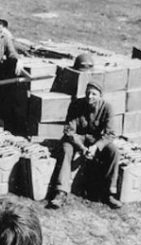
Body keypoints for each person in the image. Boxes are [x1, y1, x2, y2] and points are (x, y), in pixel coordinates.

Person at [48, 74, 122, 209]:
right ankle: (61, 192)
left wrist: (96, 147)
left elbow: (110, 134)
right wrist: (82, 148)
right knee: (66, 149)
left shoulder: (107, 108)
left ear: (100, 96)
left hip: (96, 139)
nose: (90, 96)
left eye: (94, 94)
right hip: (77, 139)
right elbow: (70, 131)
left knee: (114, 152)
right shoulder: (76, 104)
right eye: (88, 93)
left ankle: (108, 193)